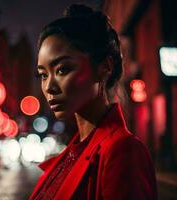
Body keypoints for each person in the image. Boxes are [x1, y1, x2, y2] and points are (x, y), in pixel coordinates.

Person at [30, 4, 157, 200]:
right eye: (43, 74)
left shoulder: (123, 151)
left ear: (104, 67)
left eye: (62, 69)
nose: (48, 87)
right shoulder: (75, 151)